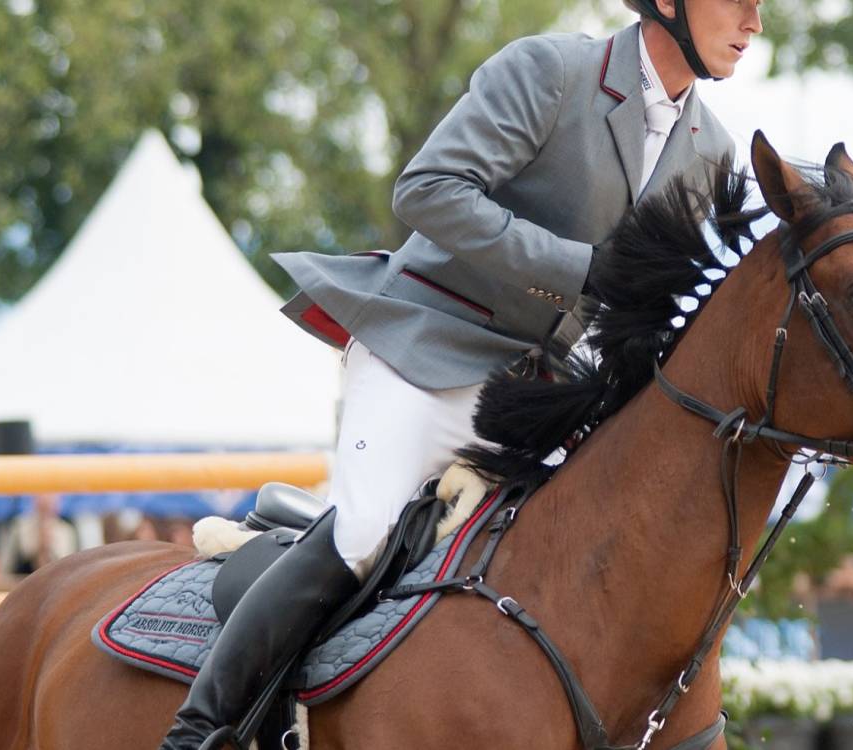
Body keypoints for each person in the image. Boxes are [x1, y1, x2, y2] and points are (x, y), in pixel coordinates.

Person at [158, 1, 761, 746]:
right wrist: (577, 268)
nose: (754, 23)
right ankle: (200, 729)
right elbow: (428, 190)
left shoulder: (713, 149)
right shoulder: (550, 71)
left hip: (537, 392)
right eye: (740, 1)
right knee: (363, 536)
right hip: (429, 350)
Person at [0, 493, 78, 575]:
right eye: (42, 496)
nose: (46, 501)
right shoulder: (19, 527)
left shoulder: (66, 531)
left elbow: (69, 567)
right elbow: (7, 565)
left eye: (51, 497)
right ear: (34, 500)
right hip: (23, 579)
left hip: (57, 580)